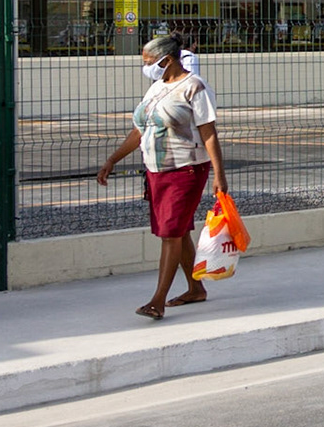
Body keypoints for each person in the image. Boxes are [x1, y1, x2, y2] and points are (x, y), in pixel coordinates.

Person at [95, 34, 229, 320]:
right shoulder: (156, 88)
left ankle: (157, 300)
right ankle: (195, 288)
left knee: (170, 233)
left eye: (149, 62)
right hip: (157, 171)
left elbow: (208, 132)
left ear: (167, 60)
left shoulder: (195, 87)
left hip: (187, 169)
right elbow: (138, 130)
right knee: (178, 231)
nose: (146, 67)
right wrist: (112, 160)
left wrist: (219, 174)